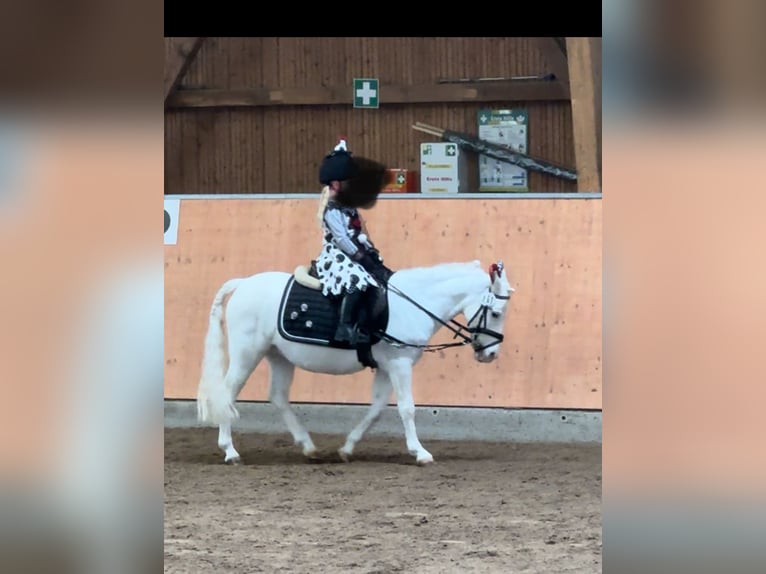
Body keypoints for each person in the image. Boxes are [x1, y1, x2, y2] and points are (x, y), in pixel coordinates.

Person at [314, 139, 390, 346]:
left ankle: (366, 326)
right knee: (356, 280)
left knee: (378, 280)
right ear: (336, 184)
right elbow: (341, 238)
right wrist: (359, 256)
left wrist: (371, 253)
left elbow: (358, 232)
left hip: (353, 249)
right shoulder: (332, 209)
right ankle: (344, 327)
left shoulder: (348, 206)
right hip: (336, 254)